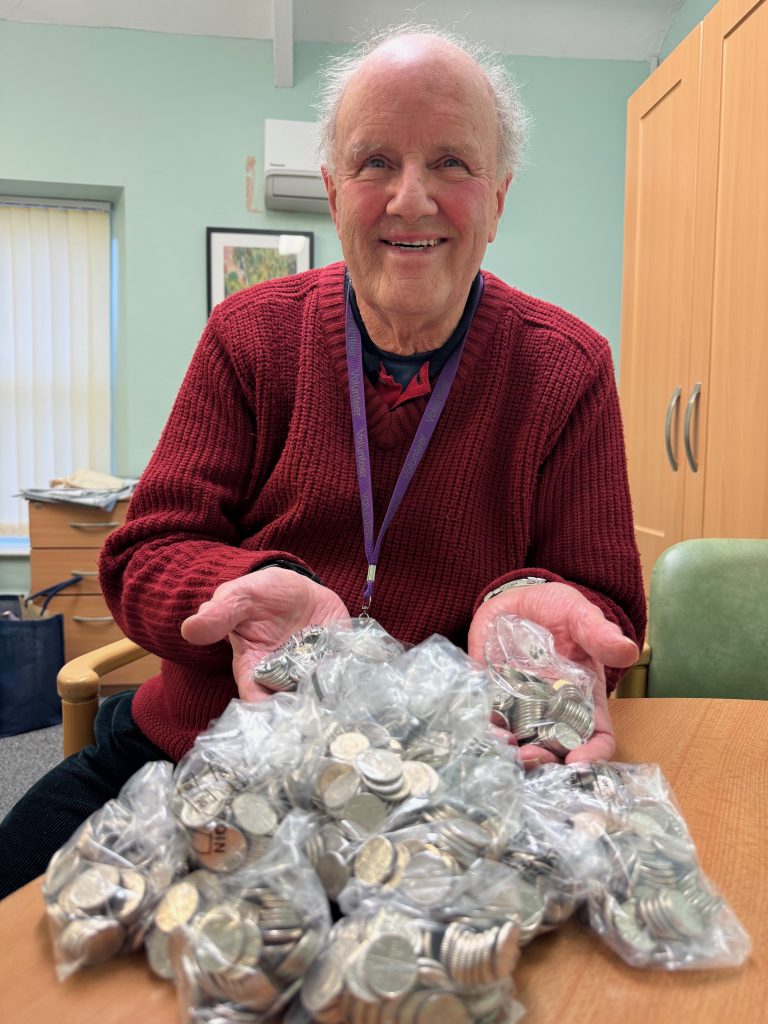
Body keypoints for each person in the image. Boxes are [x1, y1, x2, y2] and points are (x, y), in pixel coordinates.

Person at [0, 26, 645, 899]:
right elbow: (145, 553)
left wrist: (523, 607)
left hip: (443, 794)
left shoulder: (567, 367)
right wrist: (247, 590)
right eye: (377, 160)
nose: (411, 199)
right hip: (201, 751)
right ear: (334, 190)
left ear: (498, 198)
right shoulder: (250, 335)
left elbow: (602, 602)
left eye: (452, 163)